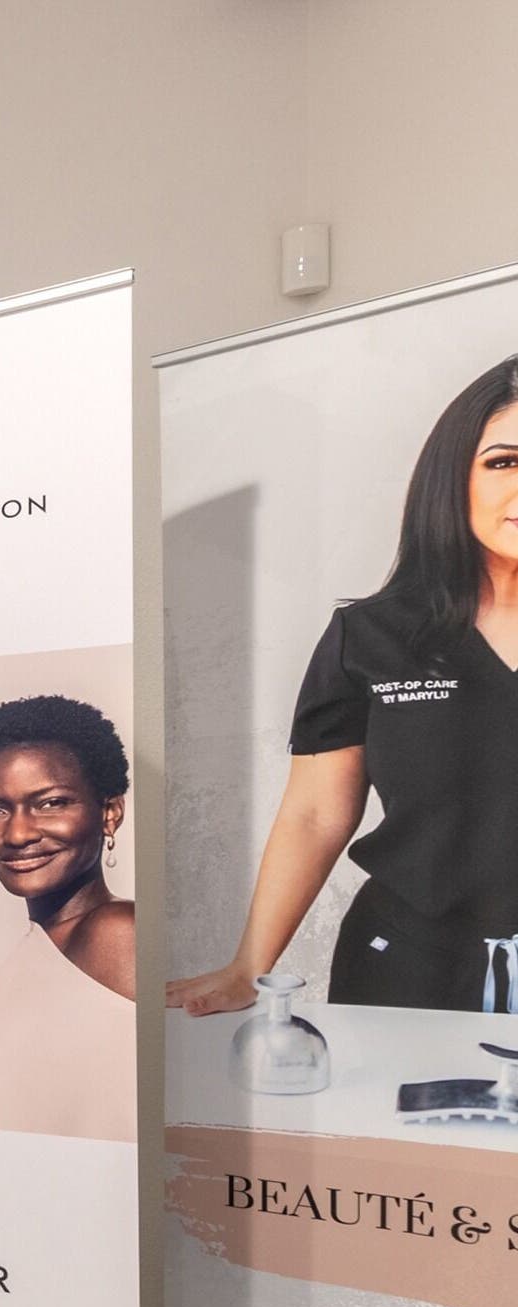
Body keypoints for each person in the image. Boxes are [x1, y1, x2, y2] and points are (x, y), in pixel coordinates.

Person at [171, 354, 518, 1015]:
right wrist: (249, 965)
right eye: (505, 460)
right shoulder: (371, 637)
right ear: (454, 477)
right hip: (408, 972)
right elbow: (315, 813)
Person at [0, 691, 135, 1143]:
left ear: (109, 812)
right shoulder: (40, 942)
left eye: (51, 803)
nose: (18, 833)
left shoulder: (118, 934)